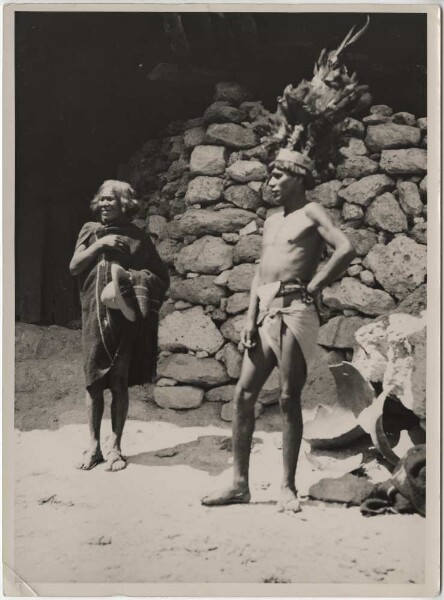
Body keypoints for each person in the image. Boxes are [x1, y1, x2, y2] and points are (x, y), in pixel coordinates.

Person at [201, 149, 356, 512]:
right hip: (266, 310)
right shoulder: (271, 221)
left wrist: (315, 286)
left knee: (288, 397)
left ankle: (287, 487)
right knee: (242, 395)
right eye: (269, 177)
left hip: (296, 310)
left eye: (278, 177)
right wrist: (249, 317)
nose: (270, 183)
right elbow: (261, 271)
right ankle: (239, 484)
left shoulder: (312, 211)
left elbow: (346, 248)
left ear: (299, 177)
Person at [70, 180, 169, 471]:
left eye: (110, 200)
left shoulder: (138, 237)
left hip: (122, 316)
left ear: (124, 204)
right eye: (100, 200)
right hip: (93, 314)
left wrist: (133, 280)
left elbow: (159, 276)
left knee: (118, 382)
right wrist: (100, 244)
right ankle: (93, 447)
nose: (103, 204)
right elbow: (74, 266)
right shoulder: (90, 231)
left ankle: (115, 446)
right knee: (93, 383)